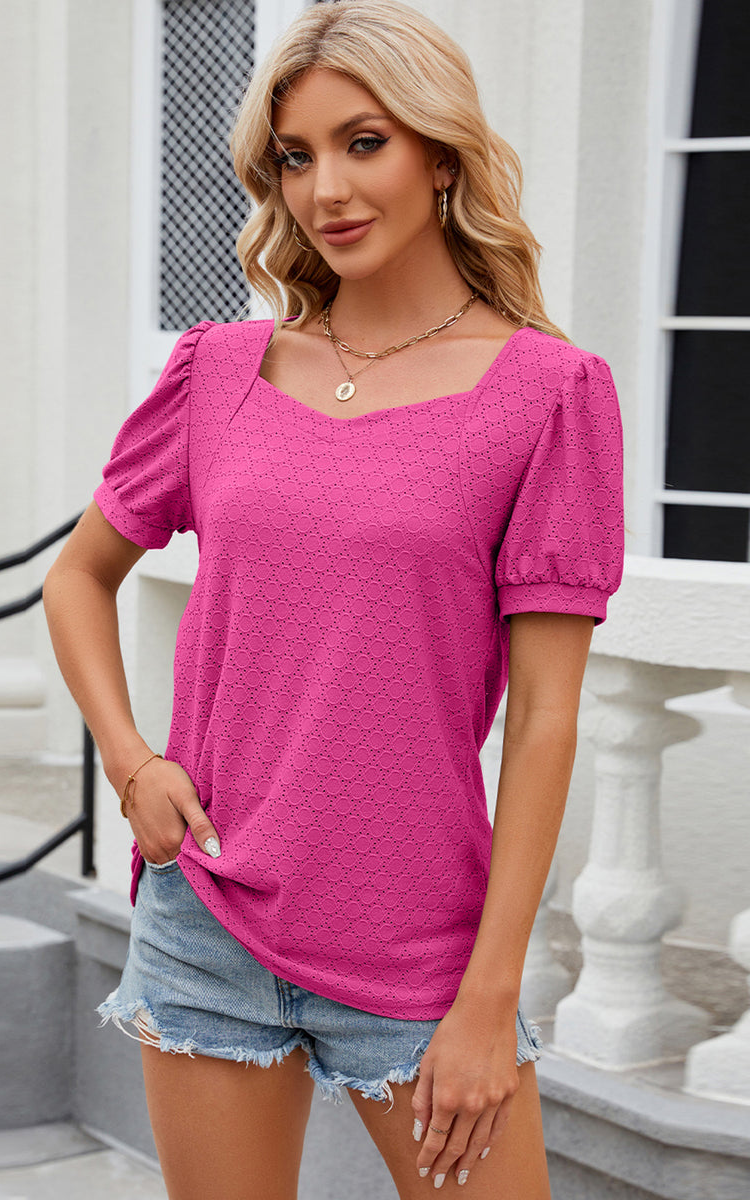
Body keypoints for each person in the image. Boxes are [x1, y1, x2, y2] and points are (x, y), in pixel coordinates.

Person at [43, 1, 623, 1196]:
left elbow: (545, 718)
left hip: (421, 950)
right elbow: (77, 576)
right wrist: (131, 762)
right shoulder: (217, 370)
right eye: (295, 158)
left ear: (441, 155)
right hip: (208, 918)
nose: (326, 191)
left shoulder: (546, 394)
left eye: (364, 143)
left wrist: (490, 995)